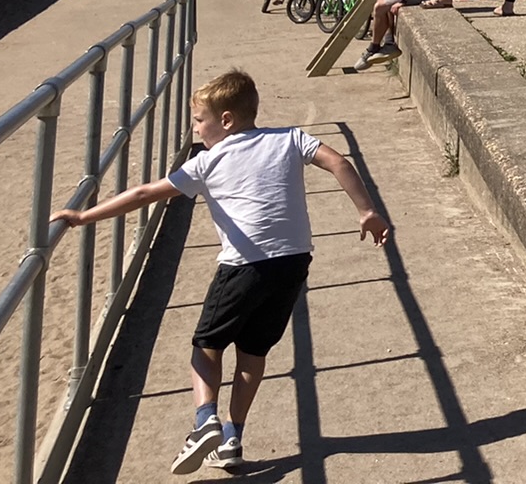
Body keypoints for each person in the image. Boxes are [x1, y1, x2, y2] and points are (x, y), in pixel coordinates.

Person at [50, 70, 388, 474]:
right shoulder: (289, 138)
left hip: (242, 266)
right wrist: (367, 211)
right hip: (293, 262)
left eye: (198, 120)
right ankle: (232, 438)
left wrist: (82, 216)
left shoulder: (208, 161)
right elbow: (337, 161)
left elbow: (144, 194)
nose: (195, 129)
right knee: (253, 352)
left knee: (206, 345)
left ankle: (203, 420)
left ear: (225, 120)